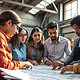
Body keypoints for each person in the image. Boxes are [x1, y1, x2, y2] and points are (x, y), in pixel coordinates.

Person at [0, 10, 32, 80]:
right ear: (9, 23)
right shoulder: (0, 38)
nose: (17, 32)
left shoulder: (4, 38)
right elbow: (4, 65)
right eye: (17, 27)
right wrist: (23, 64)